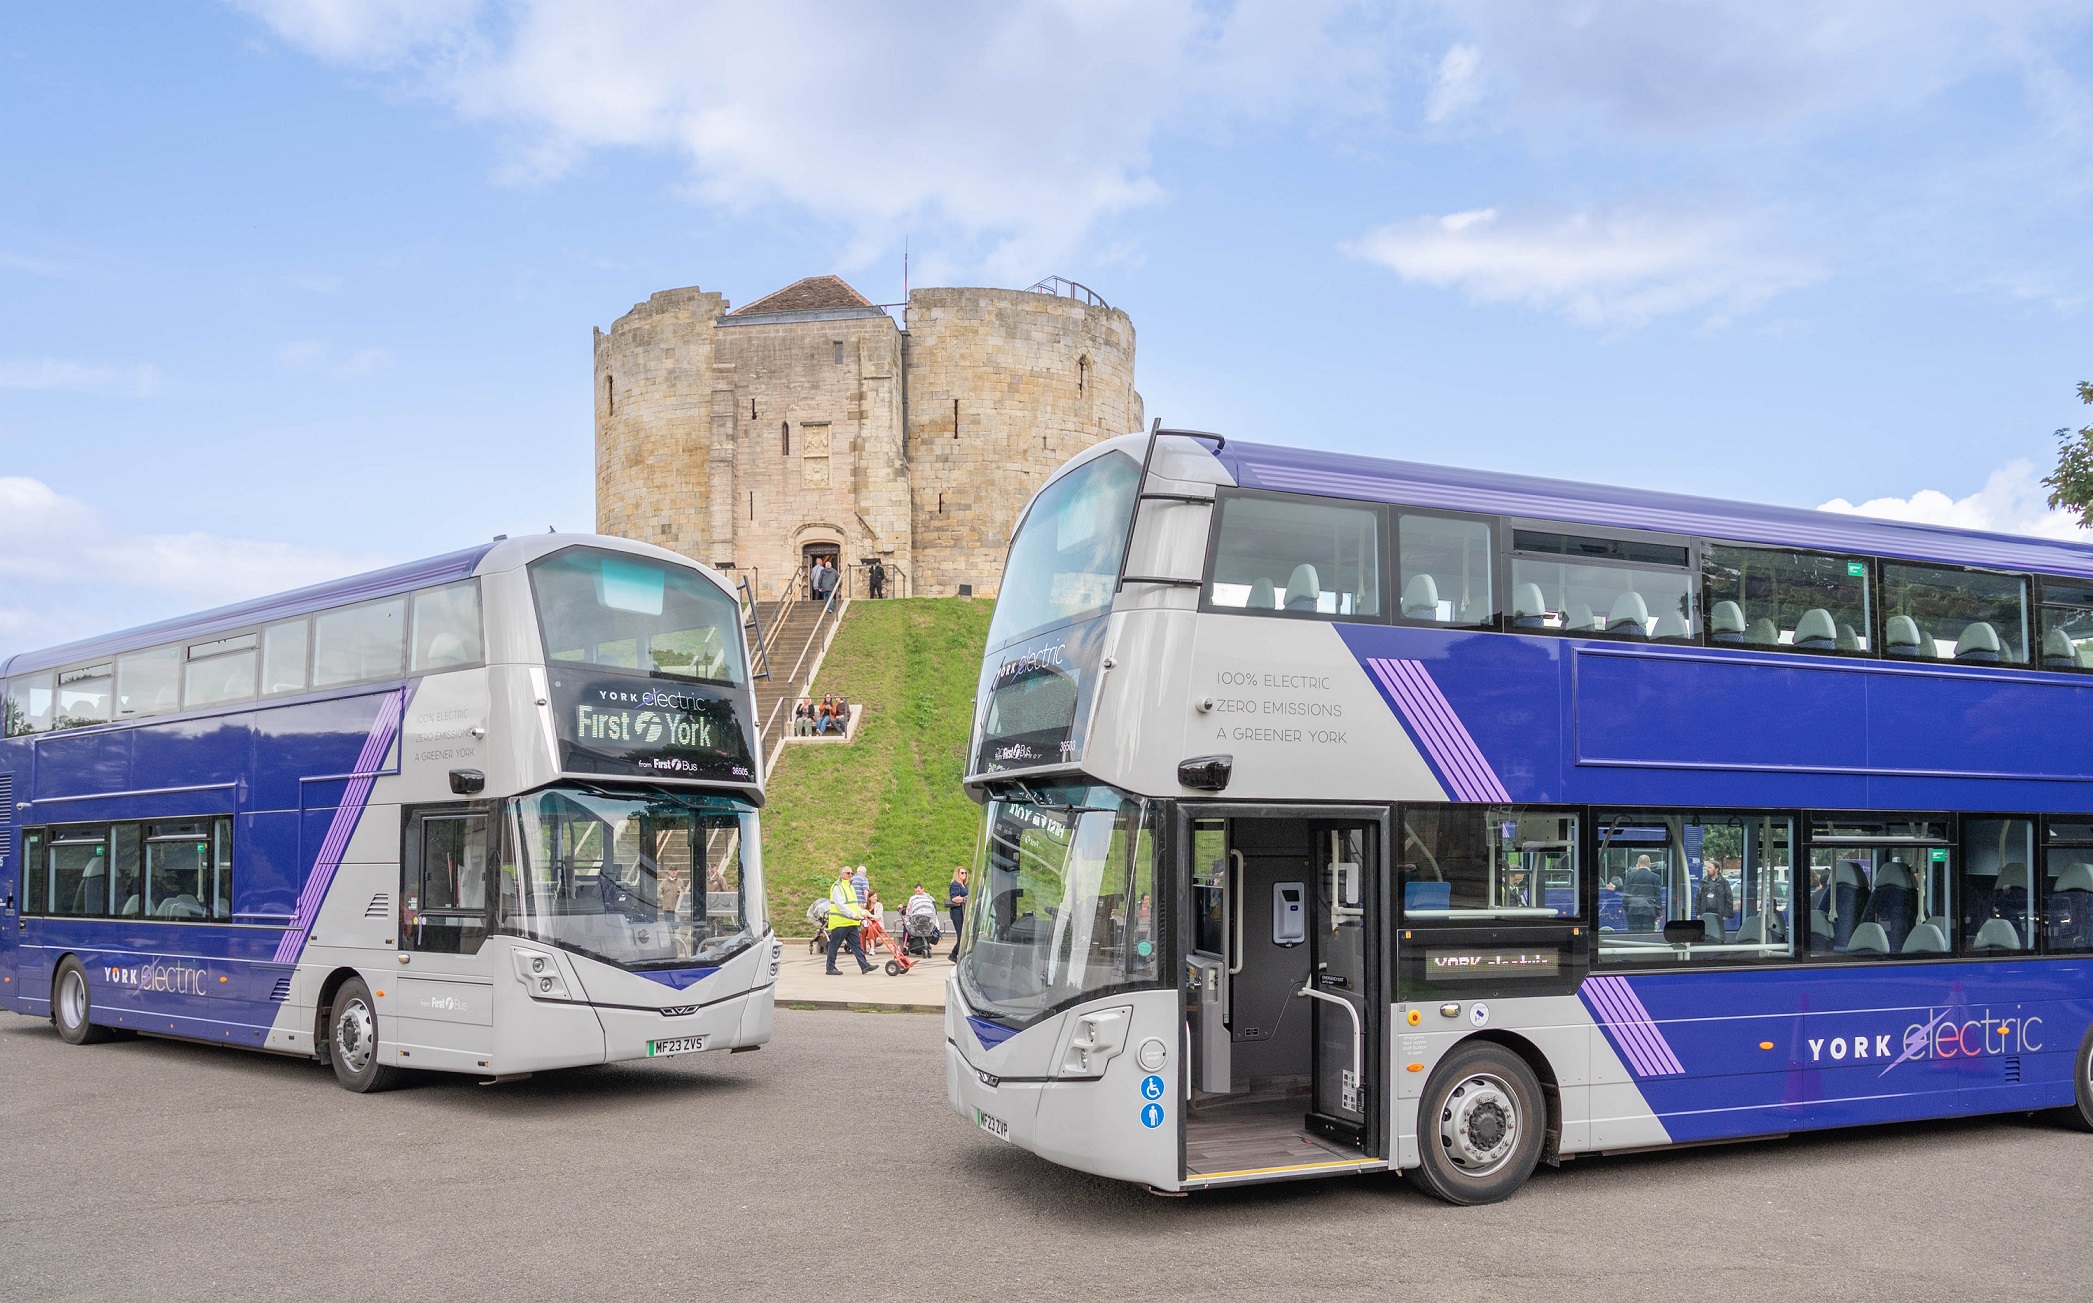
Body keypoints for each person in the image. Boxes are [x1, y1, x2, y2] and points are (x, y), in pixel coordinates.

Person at [825, 867, 872, 974]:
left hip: (851, 922)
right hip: (841, 922)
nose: (850, 875)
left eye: (851, 873)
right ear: (841, 874)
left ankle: (864, 966)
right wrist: (854, 915)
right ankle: (830, 968)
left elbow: (853, 904)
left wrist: (862, 912)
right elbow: (841, 905)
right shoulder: (837, 887)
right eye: (848, 873)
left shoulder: (850, 886)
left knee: (856, 945)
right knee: (834, 945)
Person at [1623, 853, 1662, 933]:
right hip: (1649, 912)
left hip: (1633, 911)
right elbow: (1658, 896)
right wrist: (1658, 912)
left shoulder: (1630, 876)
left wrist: (1628, 908)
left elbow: (1626, 895)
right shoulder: (1655, 877)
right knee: (1647, 937)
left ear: (1638, 863)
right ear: (1649, 864)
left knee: (1633, 937)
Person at [946, 866, 969, 960]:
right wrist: (965, 899)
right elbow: (954, 898)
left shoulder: (964, 885)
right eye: (962, 873)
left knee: (963, 934)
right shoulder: (955, 884)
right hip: (957, 911)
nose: (964, 874)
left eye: (965, 873)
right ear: (957, 874)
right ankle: (955, 954)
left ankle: (955, 954)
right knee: (961, 934)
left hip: (963, 911)